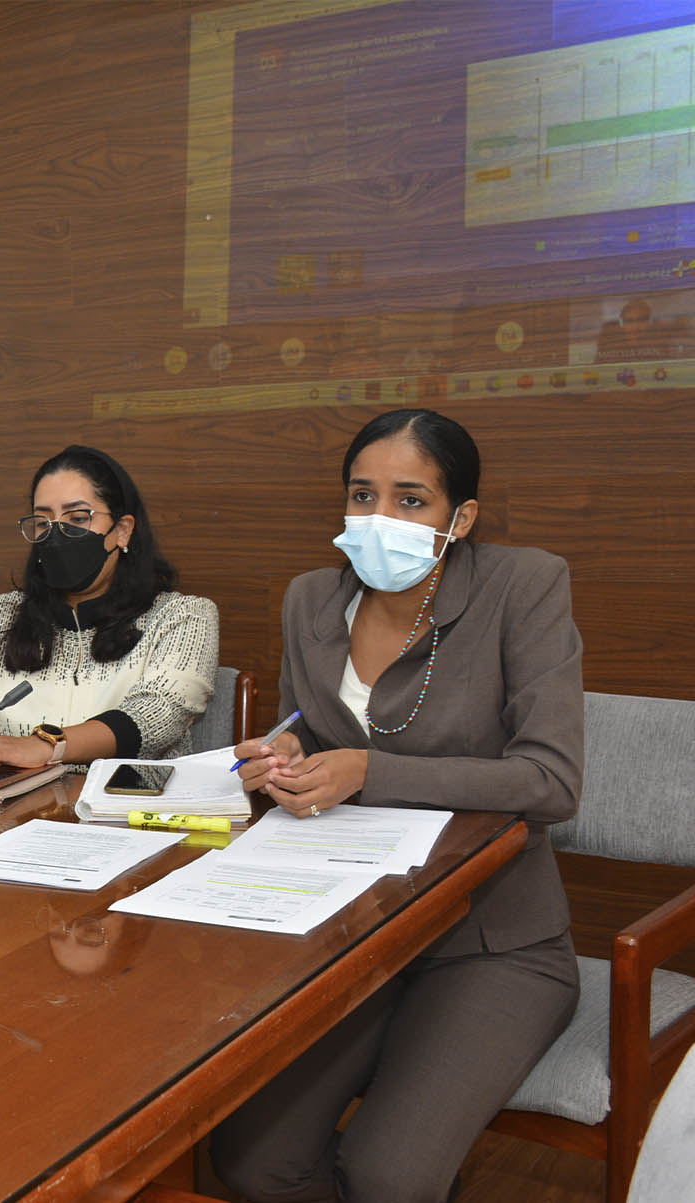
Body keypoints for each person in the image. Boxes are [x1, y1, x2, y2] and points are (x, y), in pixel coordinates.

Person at [211, 409, 584, 1202]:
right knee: (250, 1158)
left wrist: (368, 771)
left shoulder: (525, 584)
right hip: (352, 935)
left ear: (462, 517)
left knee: (388, 1172)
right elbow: (304, 735)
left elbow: (550, 781)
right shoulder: (311, 598)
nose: (380, 518)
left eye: (411, 499)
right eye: (362, 494)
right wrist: (282, 762)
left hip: (492, 942)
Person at [0, 445, 218, 768]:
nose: (57, 535)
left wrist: (47, 746)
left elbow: (157, 714)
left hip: (124, 810)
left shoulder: (182, 617)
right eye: (42, 522)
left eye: (77, 518)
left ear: (122, 531)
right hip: (10, 809)